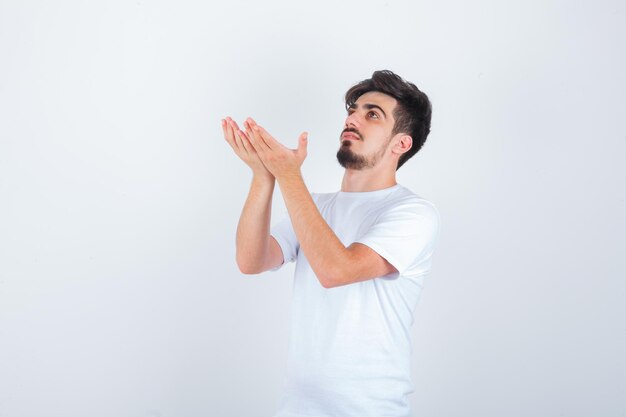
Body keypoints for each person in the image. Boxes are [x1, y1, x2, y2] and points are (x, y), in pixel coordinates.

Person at [222, 70, 441, 417]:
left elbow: (336, 270)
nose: (353, 118)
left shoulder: (413, 213)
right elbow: (251, 260)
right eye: (353, 110)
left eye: (372, 114)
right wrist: (264, 177)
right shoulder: (317, 206)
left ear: (401, 143)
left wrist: (289, 175)